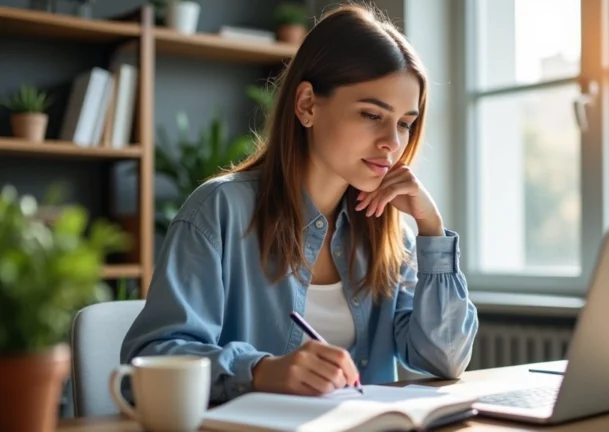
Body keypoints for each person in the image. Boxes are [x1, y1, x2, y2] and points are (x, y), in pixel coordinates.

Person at [120, 2, 479, 404]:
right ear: (307, 104)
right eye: (370, 114)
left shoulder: (392, 234)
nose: (392, 143)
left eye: (404, 123)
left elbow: (446, 359)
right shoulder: (218, 211)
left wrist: (431, 228)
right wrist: (260, 371)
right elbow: (147, 361)